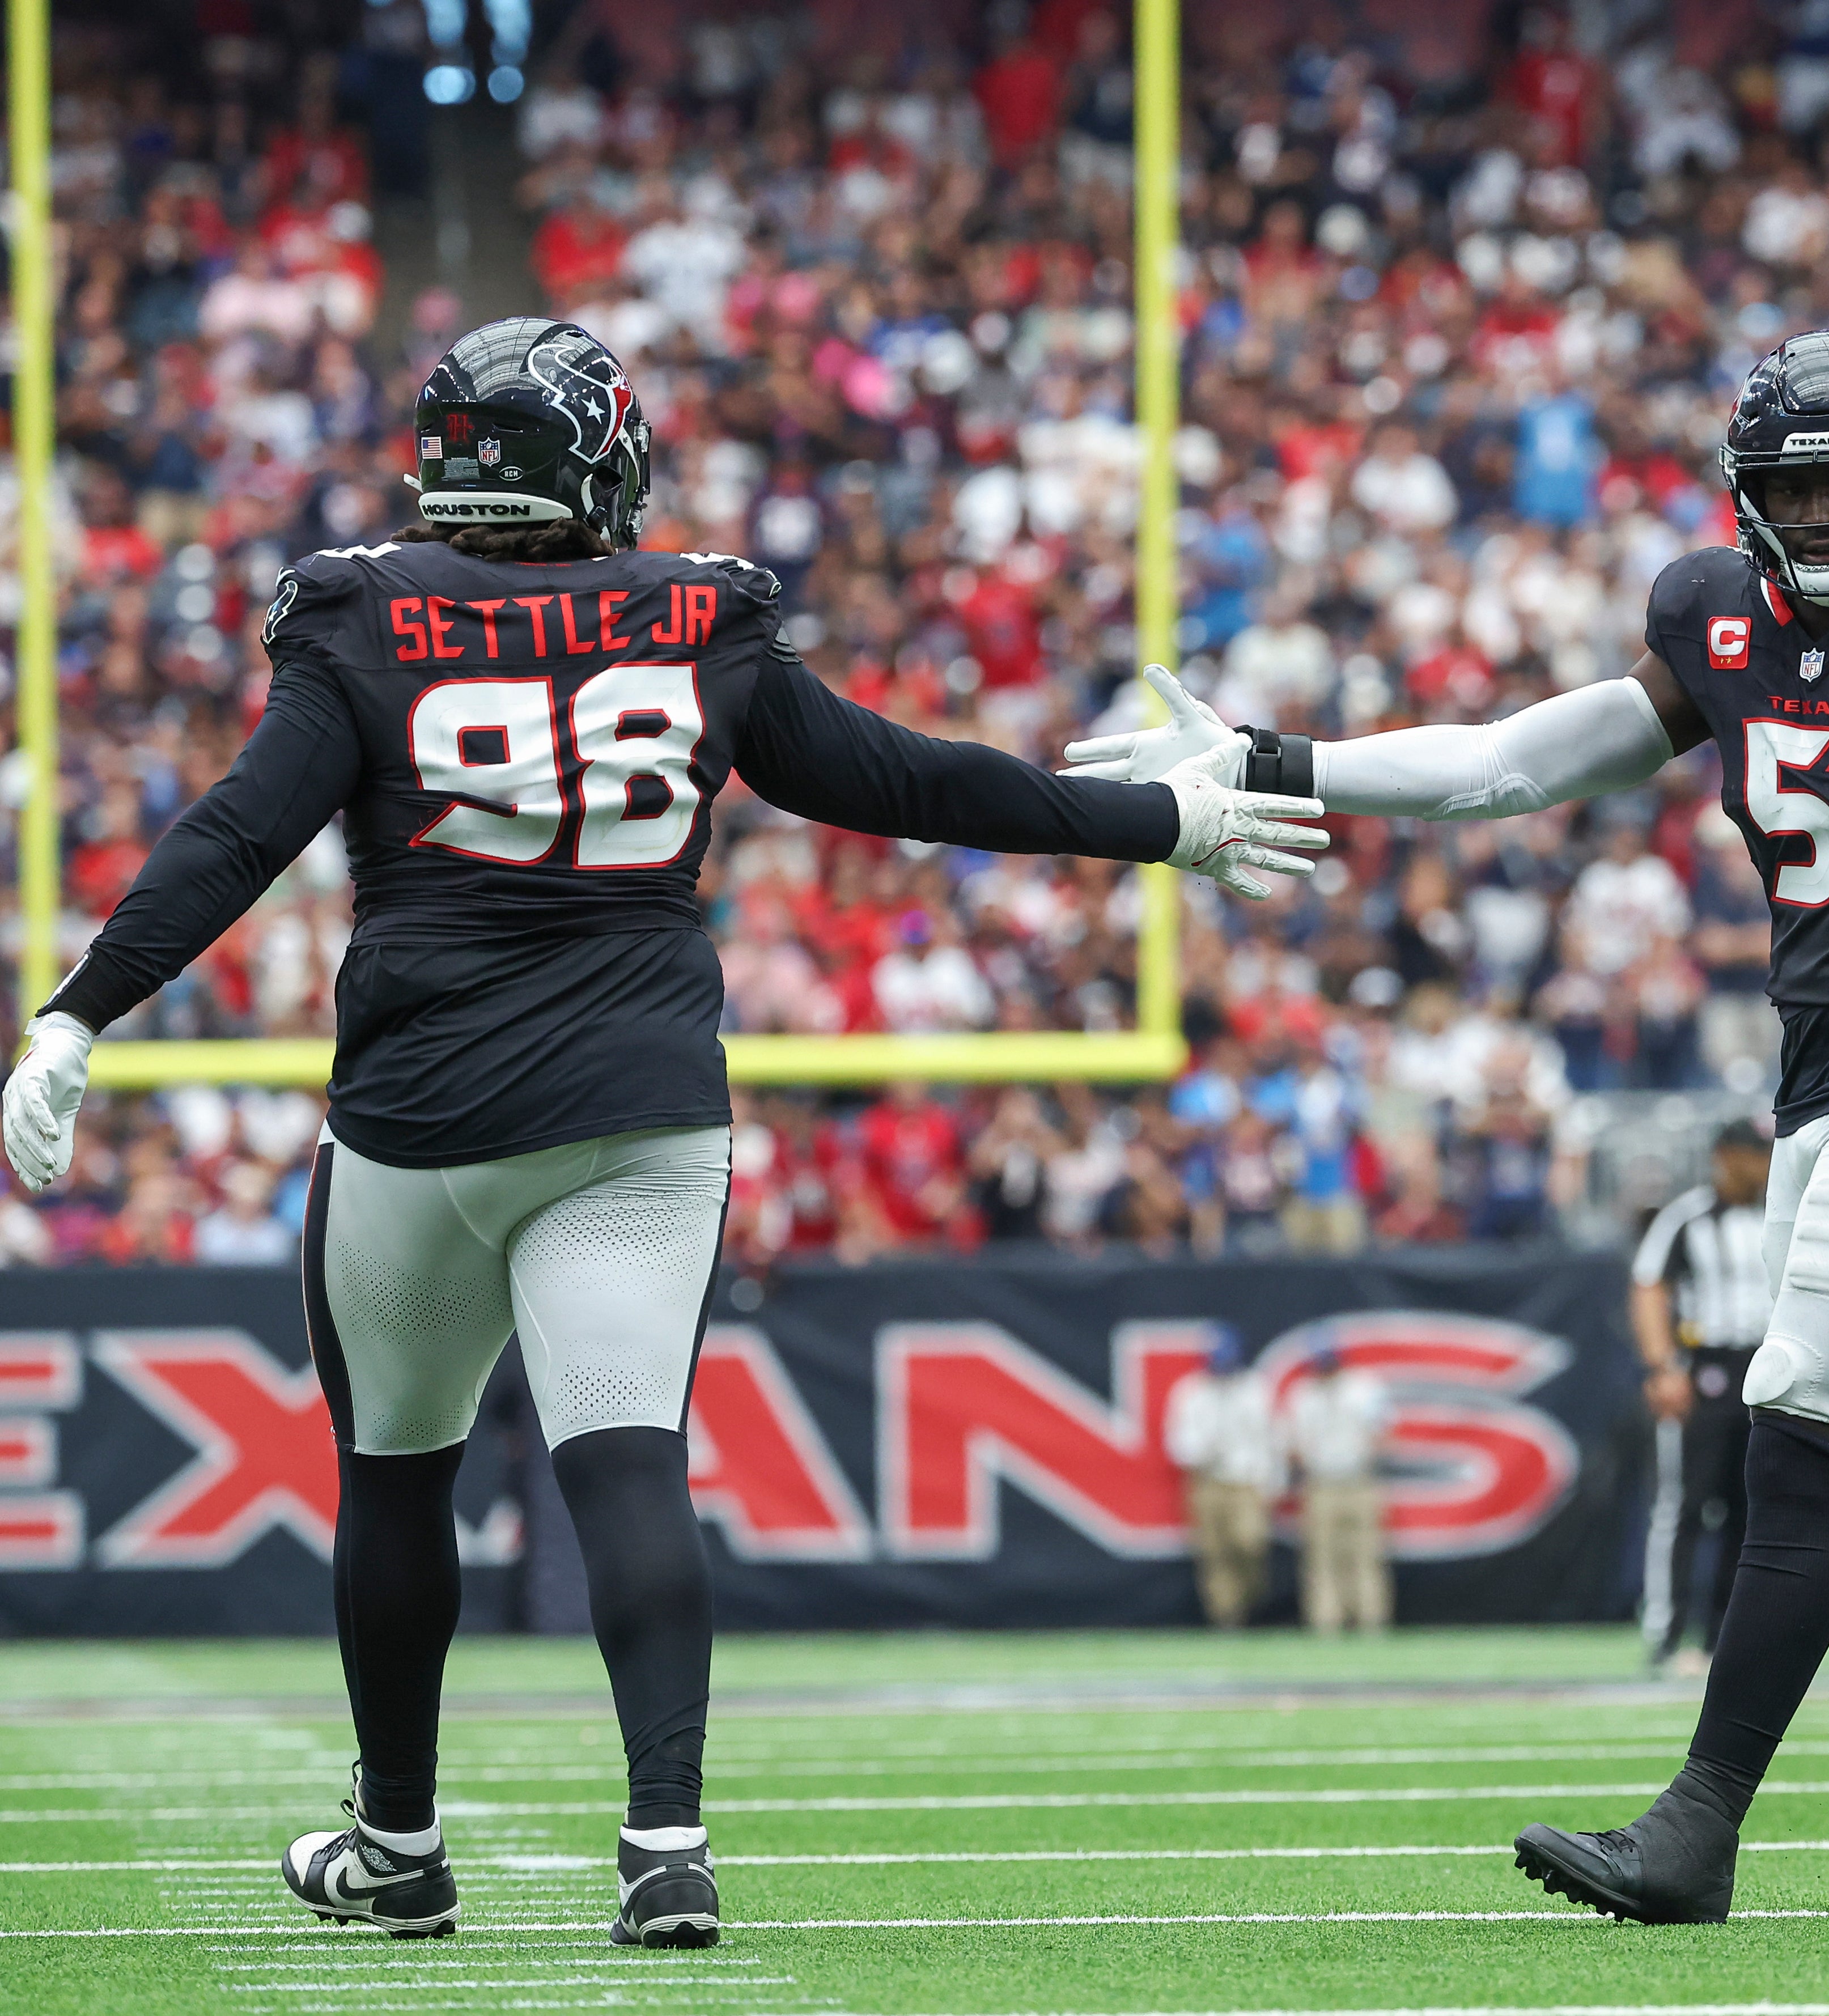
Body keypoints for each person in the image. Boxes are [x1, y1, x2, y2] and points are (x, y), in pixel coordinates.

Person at [0, 317, 1325, 1949]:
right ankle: (666, 1842)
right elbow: (903, 782)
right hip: (633, 1108)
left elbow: (237, 835)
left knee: (397, 1479)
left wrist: (79, 1009)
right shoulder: (691, 615)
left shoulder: (363, 615)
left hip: (419, 1120)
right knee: (627, 1457)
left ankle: (402, 1846)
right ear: (596, 455)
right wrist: (1162, 819)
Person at [1067, 328, 1829, 1924]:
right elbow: (1513, 764)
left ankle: (1697, 1826)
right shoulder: (1712, 620)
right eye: (1791, 491)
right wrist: (1275, 756)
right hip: (1822, 1085)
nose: (1817, 519)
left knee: (1794, 1422)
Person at [1631, 1116, 1775, 1674]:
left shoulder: (1779, 1213)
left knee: (1748, 1511)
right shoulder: (1687, 1216)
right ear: (1724, 1155)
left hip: (1764, 1368)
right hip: (1706, 1367)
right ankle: (1666, 1634)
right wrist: (1663, 1365)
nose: (1759, 1166)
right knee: (1685, 1504)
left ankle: (1722, 1637)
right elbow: (1648, 1286)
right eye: (1749, 1154)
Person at [1163, 1331, 1283, 1628]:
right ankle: (1226, 1617)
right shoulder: (1192, 1392)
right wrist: (1201, 1451)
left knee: (1250, 1544)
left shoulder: (1254, 1390)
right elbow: (1179, 1445)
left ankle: (1251, 1597)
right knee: (1215, 1553)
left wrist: (1273, 1481)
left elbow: (1272, 1439)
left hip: (1245, 1482)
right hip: (1207, 1481)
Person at [1280, 1341, 1395, 1633]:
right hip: (1321, 1484)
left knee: (1365, 1553)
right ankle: (1326, 1624)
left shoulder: (1364, 1388)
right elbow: (1294, 1444)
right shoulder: (1304, 1395)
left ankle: (1371, 1621)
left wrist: (1368, 1457)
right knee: (1322, 1557)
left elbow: (1384, 1431)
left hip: (1359, 1481)